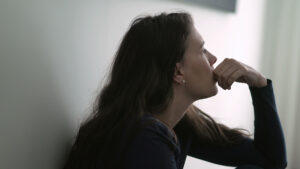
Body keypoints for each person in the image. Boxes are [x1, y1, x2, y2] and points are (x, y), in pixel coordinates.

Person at [62, 11, 287, 169]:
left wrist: (258, 84)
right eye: (202, 50)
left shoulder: (178, 126)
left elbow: (270, 159)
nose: (213, 59)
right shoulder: (144, 139)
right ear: (177, 72)